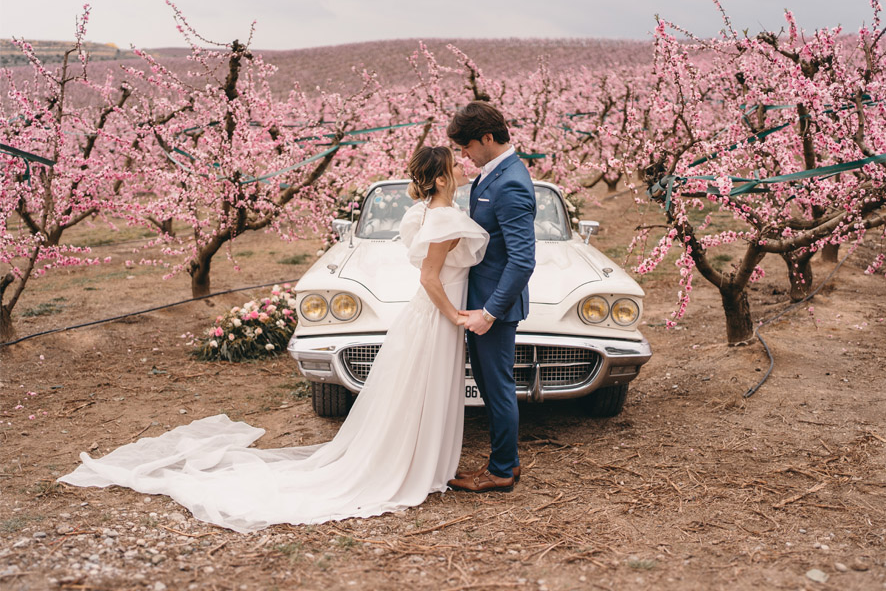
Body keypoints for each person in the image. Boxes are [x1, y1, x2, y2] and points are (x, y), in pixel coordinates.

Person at [59, 147, 489, 533]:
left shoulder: (426, 214)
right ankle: (415, 467)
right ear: (438, 179)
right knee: (421, 389)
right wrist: (455, 315)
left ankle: (421, 463)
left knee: (416, 391)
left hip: (425, 316)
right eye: (455, 165)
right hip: (436, 315)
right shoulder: (444, 218)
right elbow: (430, 276)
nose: (462, 169)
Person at [447, 101, 537, 493]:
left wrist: (489, 312)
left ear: (487, 138)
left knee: (497, 387)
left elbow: (522, 260)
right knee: (487, 384)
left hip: (493, 308)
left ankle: (501, 471)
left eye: (466, 147)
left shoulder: (511, 181)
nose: (463, 156)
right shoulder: (490, 175)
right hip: (479, 301)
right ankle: (506, 461)